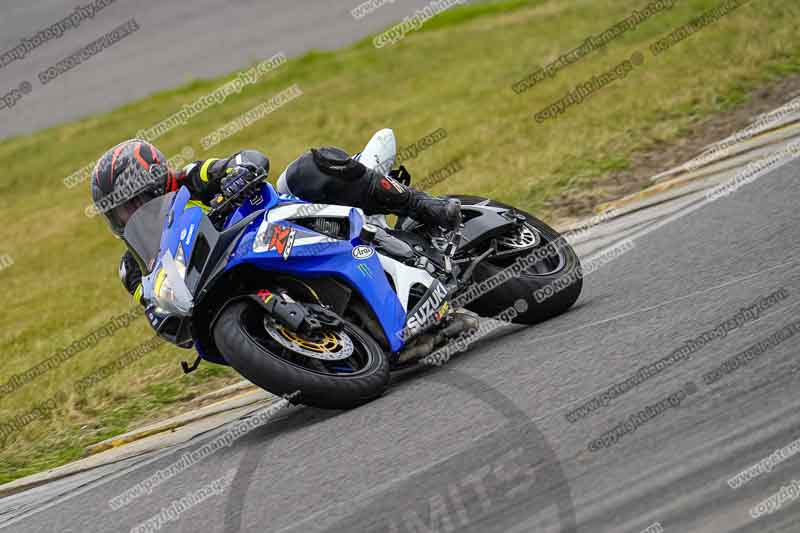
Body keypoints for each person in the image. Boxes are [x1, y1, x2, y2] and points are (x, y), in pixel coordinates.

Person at [90, 136, 461, 306]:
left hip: (282, 226)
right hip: (243, 281)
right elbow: (157, 308)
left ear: (157, 181)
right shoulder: (137, 264)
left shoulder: (193, 178)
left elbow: (246, 158)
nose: (131, 213)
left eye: (135, 201)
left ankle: (423, 206)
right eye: (120, 211)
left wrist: (238, 173)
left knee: (305, 171)